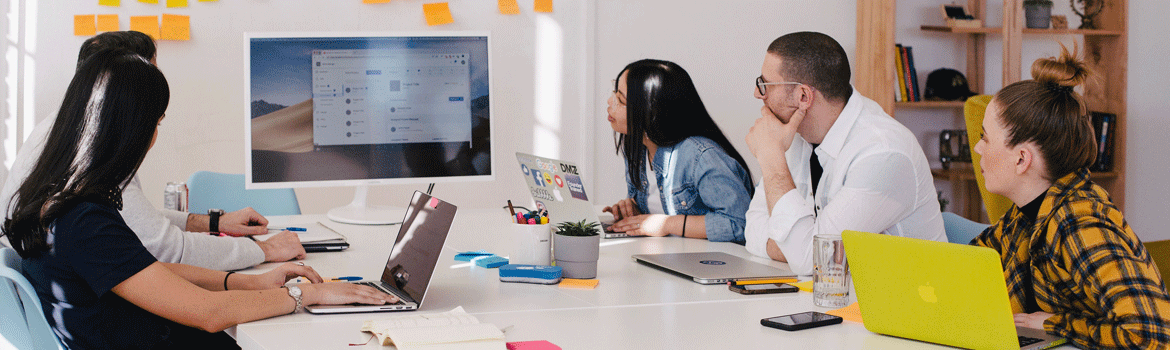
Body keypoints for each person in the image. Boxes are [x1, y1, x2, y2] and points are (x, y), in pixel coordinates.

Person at [2, 48, 395, 349]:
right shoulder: (84, 220)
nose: (154, 137)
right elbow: (207, 314)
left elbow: (145, 272)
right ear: (128, 130)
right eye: (154, 124)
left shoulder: (56, 201)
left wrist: (250, 285)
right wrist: (306, 294)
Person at [0, 31, 304, 271]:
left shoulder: (63, 130)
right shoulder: (94, 151)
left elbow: (128, 220)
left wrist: (214, 223)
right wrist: (263, 251)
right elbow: (166, 249)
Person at [971, 44, 1170, 349]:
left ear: (1022, 159)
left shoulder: (1079, 223)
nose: (978, 148)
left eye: (985, 137)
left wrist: (1057, 324)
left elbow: (1152, 336)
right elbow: (975, 261)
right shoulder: (1026, 215)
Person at [743, 32, 946, 274]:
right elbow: (753, 229)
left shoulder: (884, 153)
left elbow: (815, 261)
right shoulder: (794, 133)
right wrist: (798, 249)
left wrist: (771, 159)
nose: (758, 94)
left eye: (765, 84)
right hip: (843, 299)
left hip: (908, 306)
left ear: (803, 96)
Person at [601, 59, 754, 243]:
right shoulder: (637, 148)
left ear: (651, 112)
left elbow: (740, 224)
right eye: (614, 93)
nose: (610, 102)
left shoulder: (700, 156)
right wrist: (635, 211)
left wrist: (667, 224)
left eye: (620, 99)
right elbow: (658, 210)